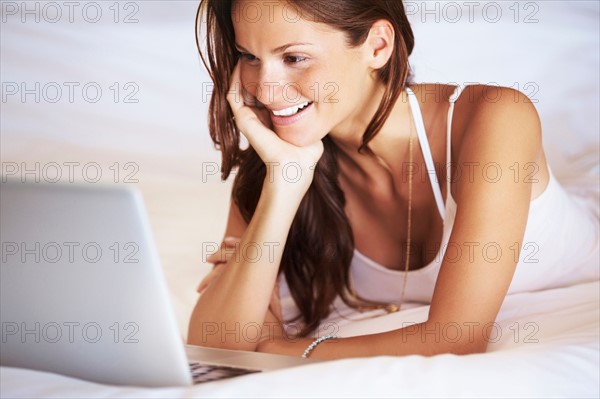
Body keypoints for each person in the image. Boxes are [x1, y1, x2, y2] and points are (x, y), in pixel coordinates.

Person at [188, 0, 599, 360]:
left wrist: (285, 349)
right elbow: (215, 344)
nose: (265, 88)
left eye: (294, 58)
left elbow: (456, 338)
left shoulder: (496, 116)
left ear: (377, 46)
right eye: (249, 56)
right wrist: (285, 180)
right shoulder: (277, 156)